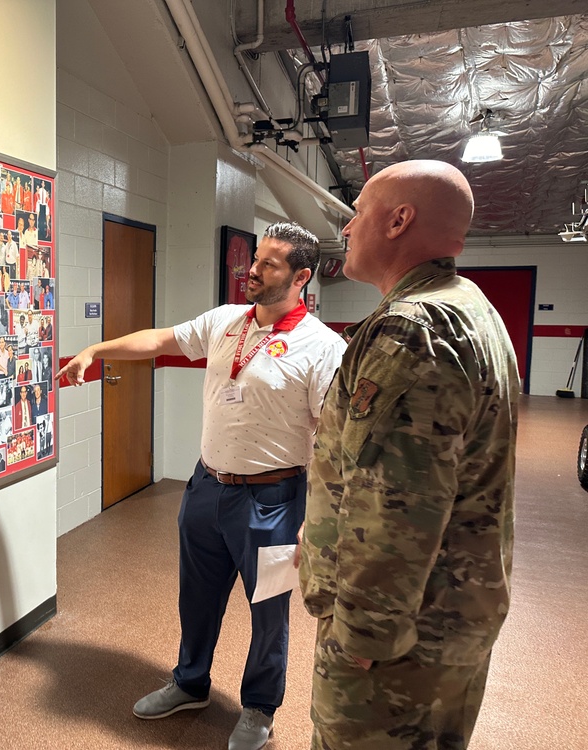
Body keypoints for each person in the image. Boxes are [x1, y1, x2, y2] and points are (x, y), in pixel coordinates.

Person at [57, 222, 346, 750]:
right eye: (254, 259)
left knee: (268, 612)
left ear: (302, 276)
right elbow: (161, 338)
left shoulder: (323, 347)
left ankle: (259, 708)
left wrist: (319, 518)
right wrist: (97, 350)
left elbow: (334, 440)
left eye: (269, 264)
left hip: (273, 499)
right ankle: (190, 682)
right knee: (197, 597)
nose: (251, 270)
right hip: (207, 486)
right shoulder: (226, 321)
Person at [299, 161, 519, 750]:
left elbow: (395, 505)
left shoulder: (411, 330)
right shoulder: (472, 307)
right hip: (454, 611)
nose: (345, 232)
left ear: (399, 221)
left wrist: (365, 637)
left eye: (356, 216)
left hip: (401, 644)